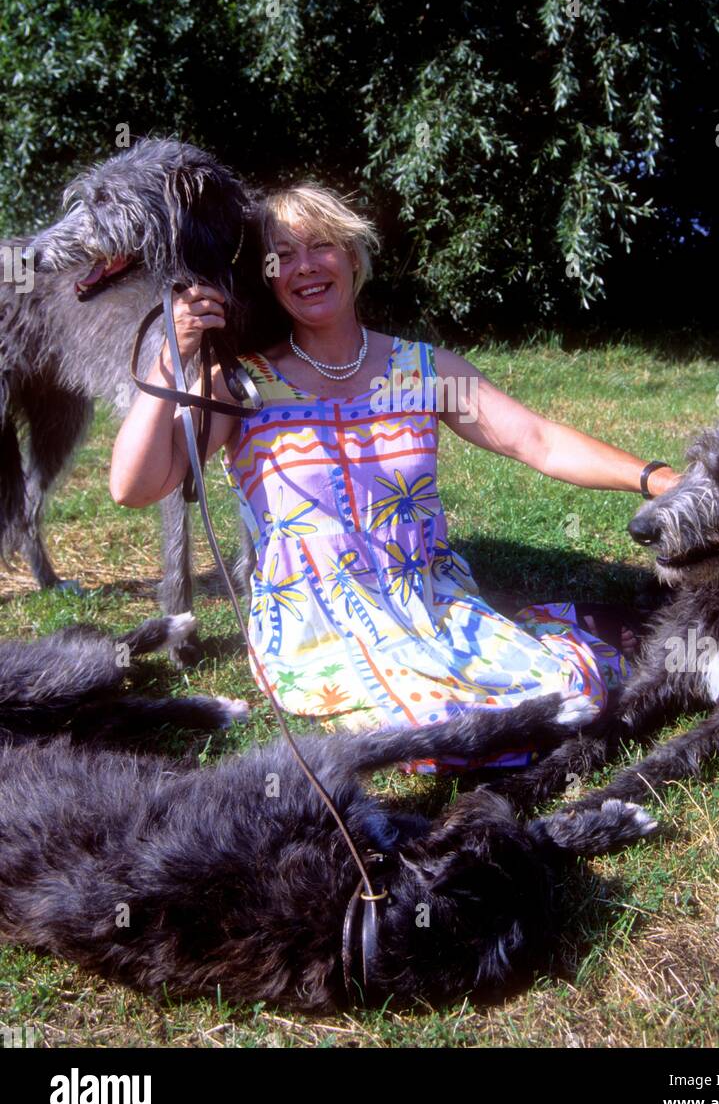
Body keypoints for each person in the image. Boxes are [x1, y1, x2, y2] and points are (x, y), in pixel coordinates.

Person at [110, 184, 680, 770]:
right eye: (283, 255)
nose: (305, 266)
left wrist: (661, 481)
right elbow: (135, 486)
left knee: (568, 695)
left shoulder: (422, 371)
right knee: (440, 729)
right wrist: (170, 358)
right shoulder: (240, 384)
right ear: (268, 276)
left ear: (353, 257)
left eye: (322, 246)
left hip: (431, 601)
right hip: (317, 628)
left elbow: (537, 440)